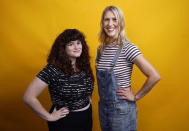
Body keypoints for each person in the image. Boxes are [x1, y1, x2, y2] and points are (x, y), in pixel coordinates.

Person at [96, 6, 160, 131]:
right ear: (102, 23)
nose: (110, 24)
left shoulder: (128, 48)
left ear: (121, 22)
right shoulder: (101, 49)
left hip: (121, 110)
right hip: (103, 108)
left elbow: (154, 76)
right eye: (106, 20)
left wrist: (136, 97)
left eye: (114, 19)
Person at [23, 29, 94, 131]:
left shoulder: (83, 65)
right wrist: (49, 117)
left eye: (79, 43)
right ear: (62, 48)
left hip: (86, 117)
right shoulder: (53, 69)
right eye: (71, 44)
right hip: (66, 121)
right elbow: (28, 97)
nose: (77, 47)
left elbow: (87, 88)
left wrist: (87, 102)